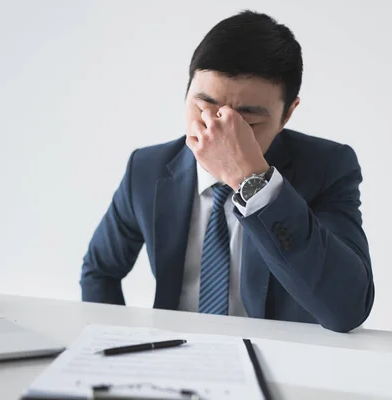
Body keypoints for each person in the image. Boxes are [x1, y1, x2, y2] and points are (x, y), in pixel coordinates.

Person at [79, 10, 374, 333]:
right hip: (168, 357)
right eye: (204, 106)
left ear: (287, 114)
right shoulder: (147, 169)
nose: (221, 130)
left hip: (275, 363)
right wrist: (109, 343)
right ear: (187, 89)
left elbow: (347, 309)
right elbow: (99, 270)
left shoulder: (327, 167)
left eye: (248, 120)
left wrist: (254, 182)